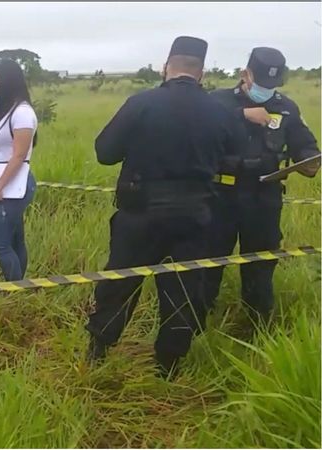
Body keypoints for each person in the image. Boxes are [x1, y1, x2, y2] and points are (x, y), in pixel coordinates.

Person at [85, 36, 242, 378]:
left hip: (140, 211)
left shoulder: (141, 102)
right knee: (184, 291)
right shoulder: (220, 111)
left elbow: (105, 152)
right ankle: (168, 367)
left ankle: (97, 351)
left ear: (166, 66)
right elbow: (235, 160)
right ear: (201, 72)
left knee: (121, 282)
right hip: (196, 215)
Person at [204, 47, 320, 325]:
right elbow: (196, 132)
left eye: (272, 86)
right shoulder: (216, 103)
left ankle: (257, 325)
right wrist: (242, 115)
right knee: (208, 262)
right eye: (262, 84)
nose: (266, 91)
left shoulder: (286, 107)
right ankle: (198, 322)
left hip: (264, 199)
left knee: (261, 264)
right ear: (246, 74)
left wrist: (309, 161)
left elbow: (305, 145)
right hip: (221, 196)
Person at [0, 59, 38, 281]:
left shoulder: (23, 113)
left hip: (13, 183)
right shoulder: (10, 110)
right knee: (15, 240)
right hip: (7, 181)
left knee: (1, 243)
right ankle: (19, 285)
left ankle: (13, 289)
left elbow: (18, 155)